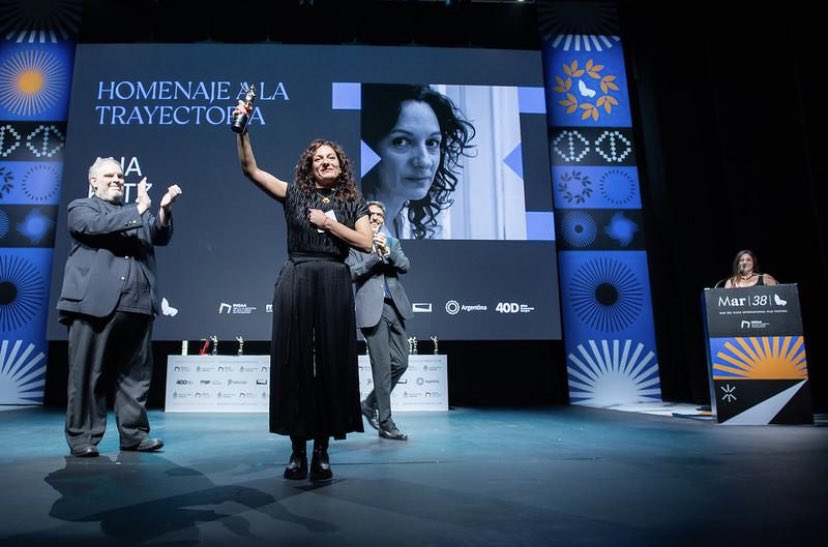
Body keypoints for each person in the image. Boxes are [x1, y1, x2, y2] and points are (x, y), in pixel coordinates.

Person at [233, 100, 373, 482]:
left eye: (331, 157)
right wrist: (242, 129)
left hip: (334, 281)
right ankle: (297, 450)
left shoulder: (352, 201)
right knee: (295, 362)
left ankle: (323, 451)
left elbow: (364, 242)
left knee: (330, 363)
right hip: (296, 277)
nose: (325, 161)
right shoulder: (293, 193)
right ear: (309, 166)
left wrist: (329, 224)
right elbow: (251, 170)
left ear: (342, 165)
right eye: (318, 158)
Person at [56, 157, 182, 457]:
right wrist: (138, 208)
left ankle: (134, 435)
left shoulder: (133, 215)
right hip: (93, 306)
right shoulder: (81, 208)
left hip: (137, 306)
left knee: (136, 376)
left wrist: (163, 209)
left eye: (120, 175)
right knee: (88, 374)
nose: (117, 180)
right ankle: (82, 438)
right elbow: (95, 227)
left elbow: (158, 235)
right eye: (109, 175)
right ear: (93, 181)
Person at [360, 83, 475, 240]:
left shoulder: (400, 220)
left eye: (432, 142)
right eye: (401, 142)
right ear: (368, 148)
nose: (424, 161)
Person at [346, 201, 413, 441]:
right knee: (382, 368)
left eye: (379, 215)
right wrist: (374, 257)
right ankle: (386, 423)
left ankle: (369, 403)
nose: (375, 218)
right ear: (363, 218)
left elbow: (405, 266)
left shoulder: (392, 242)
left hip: (395, 307)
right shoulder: (354, 243)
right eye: (370, 214)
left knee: (402, 362)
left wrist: (389, 252)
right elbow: (351, 274)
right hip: (371, 310)